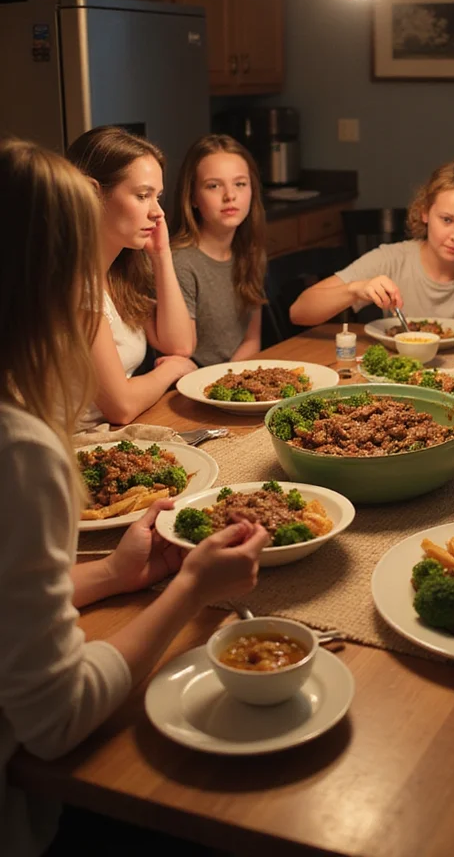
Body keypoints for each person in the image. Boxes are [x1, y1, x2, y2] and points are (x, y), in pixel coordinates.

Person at [0, 138, 269, 857]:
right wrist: (189, 588)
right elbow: (56, 719)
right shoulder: (22, 450)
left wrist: (114, 576)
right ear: (55, 273)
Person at [289, 158, 454, 331]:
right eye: (446, 219)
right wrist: (357, 289)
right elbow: (299, 312)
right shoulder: (390, 260)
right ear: (424, 212)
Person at [66, 127, 197, 428]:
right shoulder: (76, 283)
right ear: (92, 193)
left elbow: (179, 345)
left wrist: (161, 255)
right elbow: (121, 406)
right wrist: (171, 371)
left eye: (158, 197)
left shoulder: (117, 274)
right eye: (142, 196)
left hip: (109, 436)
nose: (158, 212)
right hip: (67, 451)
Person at [171, 134, 267, 366]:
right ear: (192, 196)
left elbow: (252, 340)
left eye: (240, 184)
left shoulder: (252, 252)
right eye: (213, 186)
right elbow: (181, 354)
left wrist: (232, 380)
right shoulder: (181, 262)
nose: (230, 196)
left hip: (236, 377)